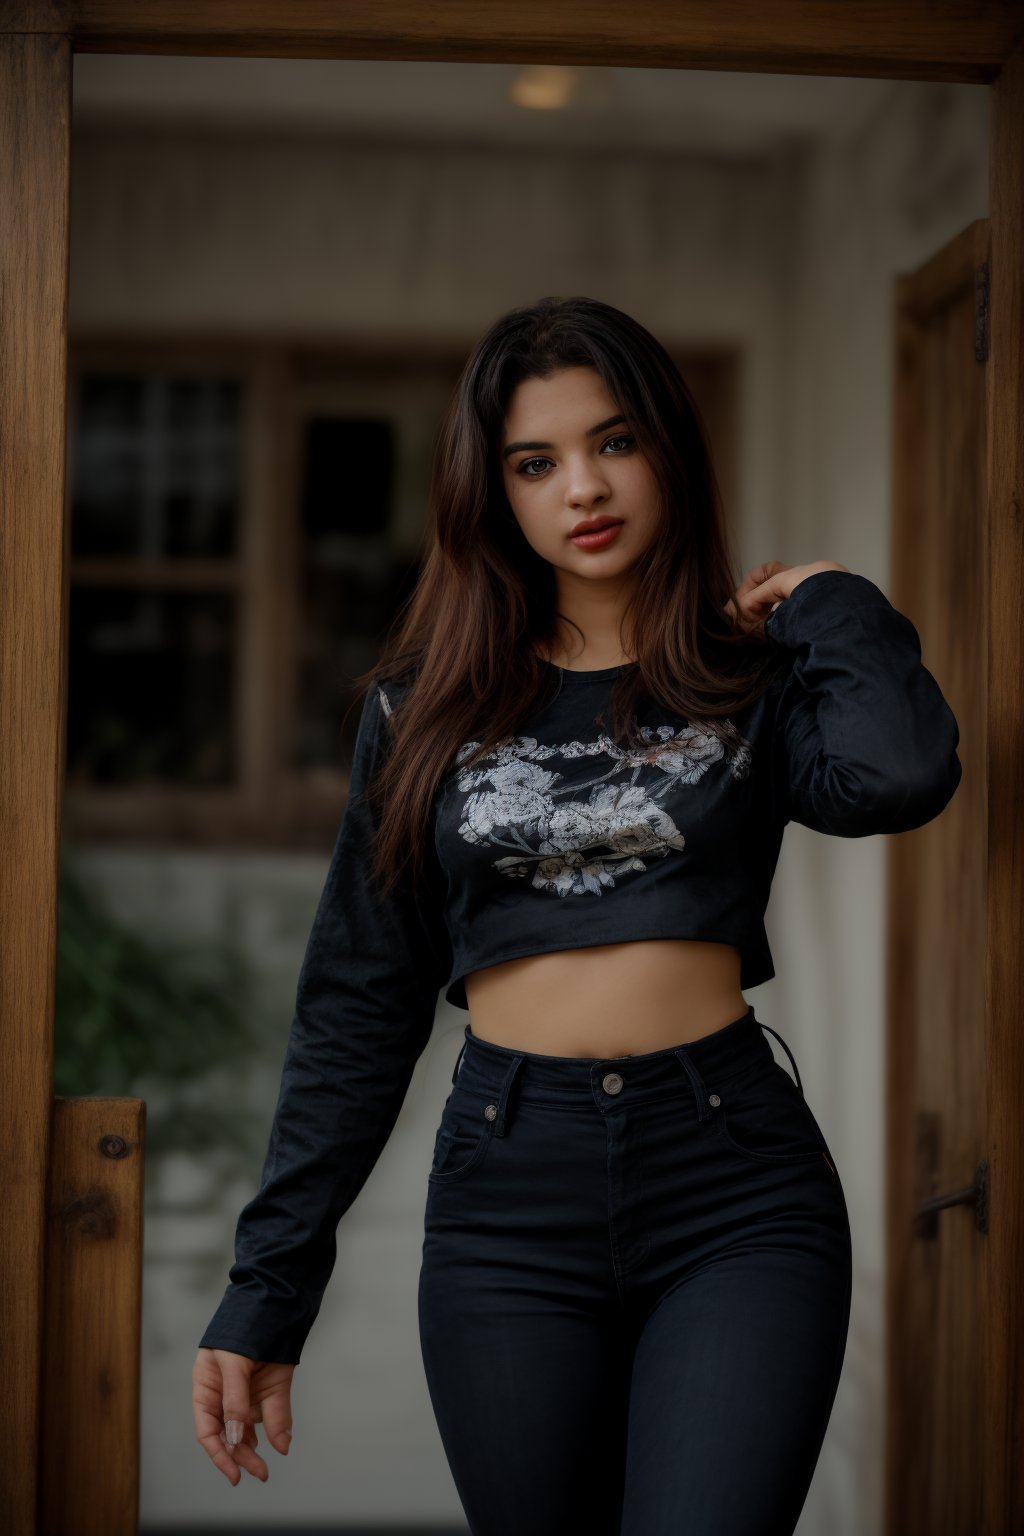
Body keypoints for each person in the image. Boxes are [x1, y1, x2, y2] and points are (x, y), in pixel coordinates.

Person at [192, 296, 962, 1534]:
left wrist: (827, 600)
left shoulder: (749, 681)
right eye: (534, 463)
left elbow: (899, 775)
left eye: (614, 443)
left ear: (667, 449)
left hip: (733, 1189)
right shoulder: (421, 710)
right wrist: (267, 1286)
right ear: (490, 492)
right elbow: (359, 1002)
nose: (582, 489)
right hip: (508, 1202)